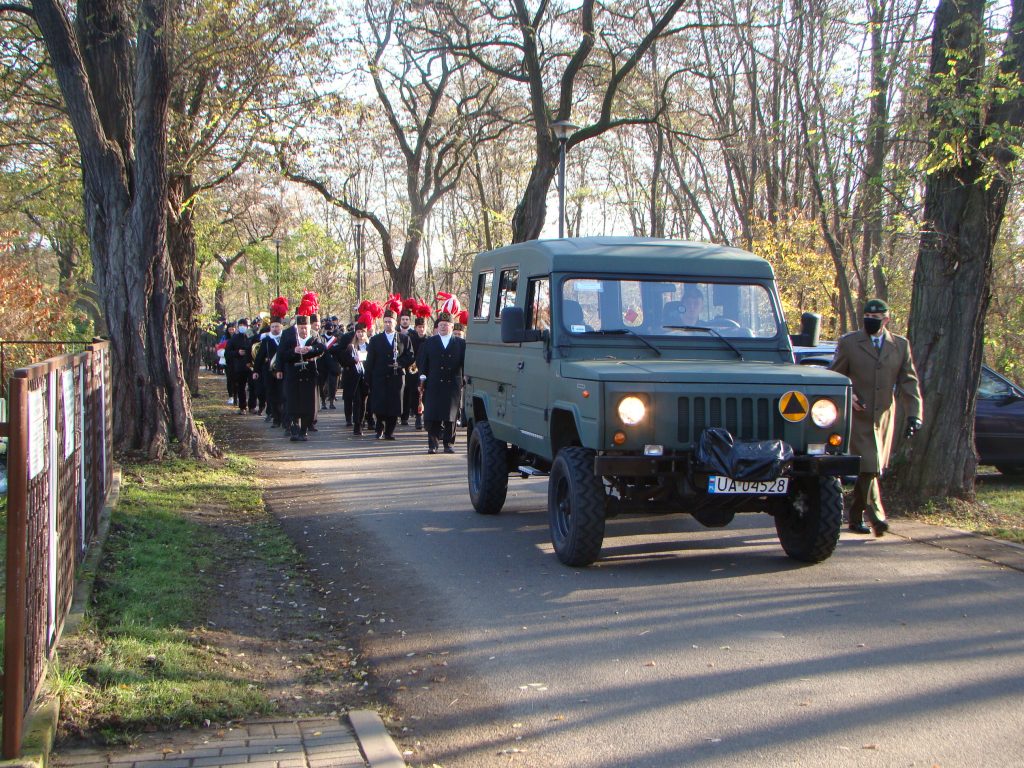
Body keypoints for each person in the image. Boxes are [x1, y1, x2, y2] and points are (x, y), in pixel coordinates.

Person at [830, 298, 923, 536]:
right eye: (867, 318)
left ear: (886, 320)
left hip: (883, 417)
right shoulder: (850, 343)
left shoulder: (900, 345)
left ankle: (853, 516)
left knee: (870, 468)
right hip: (857, 416)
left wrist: (914, 415)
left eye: (876, 319)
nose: (870, 322)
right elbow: (835, 378)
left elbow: (908, 382)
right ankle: (877, 517)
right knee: (869, 466)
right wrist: (848, 397)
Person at [417, 311, 466, 454]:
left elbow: (465, 363)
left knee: (450, 417)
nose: (443, 327)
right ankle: (433, 444)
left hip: (453, 384)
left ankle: (448, 444)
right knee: (433, 415)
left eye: (446, 325)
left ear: (452, 326)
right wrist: (422, 379)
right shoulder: (430, 342)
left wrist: (465, 378)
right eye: (440, 325)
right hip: (434, 383)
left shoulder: (460, 343)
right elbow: (423, 363)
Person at [365, 309, 415, 439]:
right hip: (379, 377)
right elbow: (370, 360)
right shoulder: (375, 340)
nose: (388, 324)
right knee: (380, 403)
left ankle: (390, 431)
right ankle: (379, 428)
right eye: (385, 322)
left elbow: (410, 356)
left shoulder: (404, 338)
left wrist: (401, 363)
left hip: (396, 376)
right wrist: (368, 377)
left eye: (390, 322)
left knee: (394, 404)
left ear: (395, 322)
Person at [278, 312, 326, 441]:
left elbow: (322, 348)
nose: (304, 330)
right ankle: (294, 429)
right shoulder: (289, 337)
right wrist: (294, 351)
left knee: (307, 403)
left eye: (306, 328)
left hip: (309, 374)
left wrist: (310, 349)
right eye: (301, 328)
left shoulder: (314, 336)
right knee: (293, 402)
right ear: (297, 328)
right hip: (293, 373)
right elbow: (282, 354)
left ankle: (304, 430)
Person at [342, 321, 371, 434]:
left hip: (365, 377)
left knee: (364, 401)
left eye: (362, 332)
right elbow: (344, 361)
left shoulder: (370, 346)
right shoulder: (351, 347)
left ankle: (362, 420)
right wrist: (353, 360)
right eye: (358, 332)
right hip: (354, 377)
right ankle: (357, 424)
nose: (360, 334)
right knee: (357, 400)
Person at [226, 317, 255, 413]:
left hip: (251, 365)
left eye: (244, 325)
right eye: (240, 325)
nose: (242, 327)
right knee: (241, 387)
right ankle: (242, 407)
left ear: (247, 326)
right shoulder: (234, 338)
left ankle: (252, 406)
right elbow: (228, 353)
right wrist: (237, 352)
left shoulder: (251, 336)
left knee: (252, 386)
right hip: (239, 366)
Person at [402, 312, 426, 427]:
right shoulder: (410, 338)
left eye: (423, 327)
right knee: (411, 392)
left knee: (423, 394)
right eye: (419, 327)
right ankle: (409, 415)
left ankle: (420, 416)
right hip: (412, 370)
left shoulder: (429, 340)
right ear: (416, 328)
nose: (421, 329)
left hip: (424, 370)